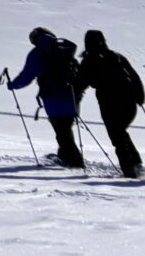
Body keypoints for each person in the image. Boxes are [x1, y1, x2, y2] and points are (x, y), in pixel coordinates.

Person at [6, 27, 86, 168]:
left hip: (53, 97)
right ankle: (64, 157)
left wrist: (13, 85)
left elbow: (27, 76)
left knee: (62, 132)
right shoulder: (64, 48)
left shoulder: (38, 53)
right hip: (73, 96)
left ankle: (75, 163)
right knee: (65, 129)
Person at [73, 30, 144, 177]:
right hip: (129, 102)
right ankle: (136, 163)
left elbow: (80, 83)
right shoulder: (116, 57)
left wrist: (71, 89)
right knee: (121, 133)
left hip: (109, 103)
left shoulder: (89, 60)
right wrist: (140, 96)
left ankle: (130, 170)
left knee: (117, 136)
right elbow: (134, 76)